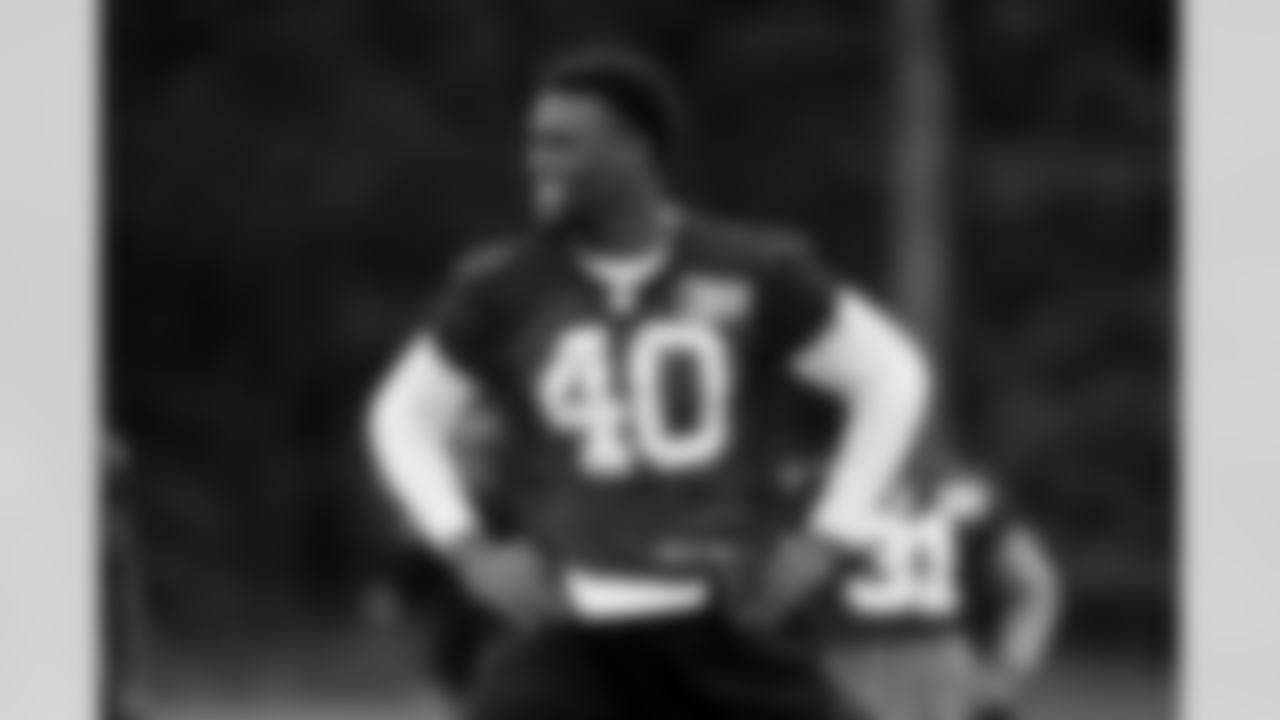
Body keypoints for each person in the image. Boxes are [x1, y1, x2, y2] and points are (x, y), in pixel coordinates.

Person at [367, 46, 932, 720]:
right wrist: (468, 550)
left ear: (635, 149)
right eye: (534, 143)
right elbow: (402, 416)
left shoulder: (756, 270)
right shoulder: (503, 286)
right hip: (571, 625)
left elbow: (891, 377)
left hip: (728, 618)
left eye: (561, 144)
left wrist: (829, 536)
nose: (536, 162)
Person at [799, 461, 1062, 720]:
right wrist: (1006, 675)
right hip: (926, 682)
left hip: (852, 680)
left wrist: (1005, 676)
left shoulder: (815, 483)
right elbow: (1035, 584)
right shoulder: (959, 491)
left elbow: (1033, 586)